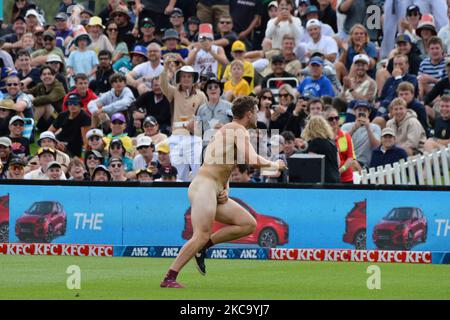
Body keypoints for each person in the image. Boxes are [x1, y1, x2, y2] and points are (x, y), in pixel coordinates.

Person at [160, 96, 285, 288]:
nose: (258, 115)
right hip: (205, 186)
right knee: (200, 234)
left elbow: (221, 163)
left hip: (212, 187)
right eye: (256, 110)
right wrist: (274, 163)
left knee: (248, 224)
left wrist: (225, 188)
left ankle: (204, 248)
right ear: (249, 113)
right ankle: (170, 277)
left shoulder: (227, 131)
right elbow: (250, 159)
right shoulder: (237, 129)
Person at [341, 100, 381, 169]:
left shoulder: (375, 127)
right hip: (348, 161)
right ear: (355, 112)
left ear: (369, 113)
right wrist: (354, 129)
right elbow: (341, 144)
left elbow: (376, 146)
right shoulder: (346, 126)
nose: (362, 112)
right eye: (359, 110)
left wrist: (368, 128)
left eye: (364, 110)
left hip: (364, 164)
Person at [325, 107, 355, 183]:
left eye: (336, 118)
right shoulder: (324, 138)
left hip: (346, 178)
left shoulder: (346, 136)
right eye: (331, 119)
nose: (334, 121)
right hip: (330, 178)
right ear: (325, 121)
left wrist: (341, 170)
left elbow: (350, 158)